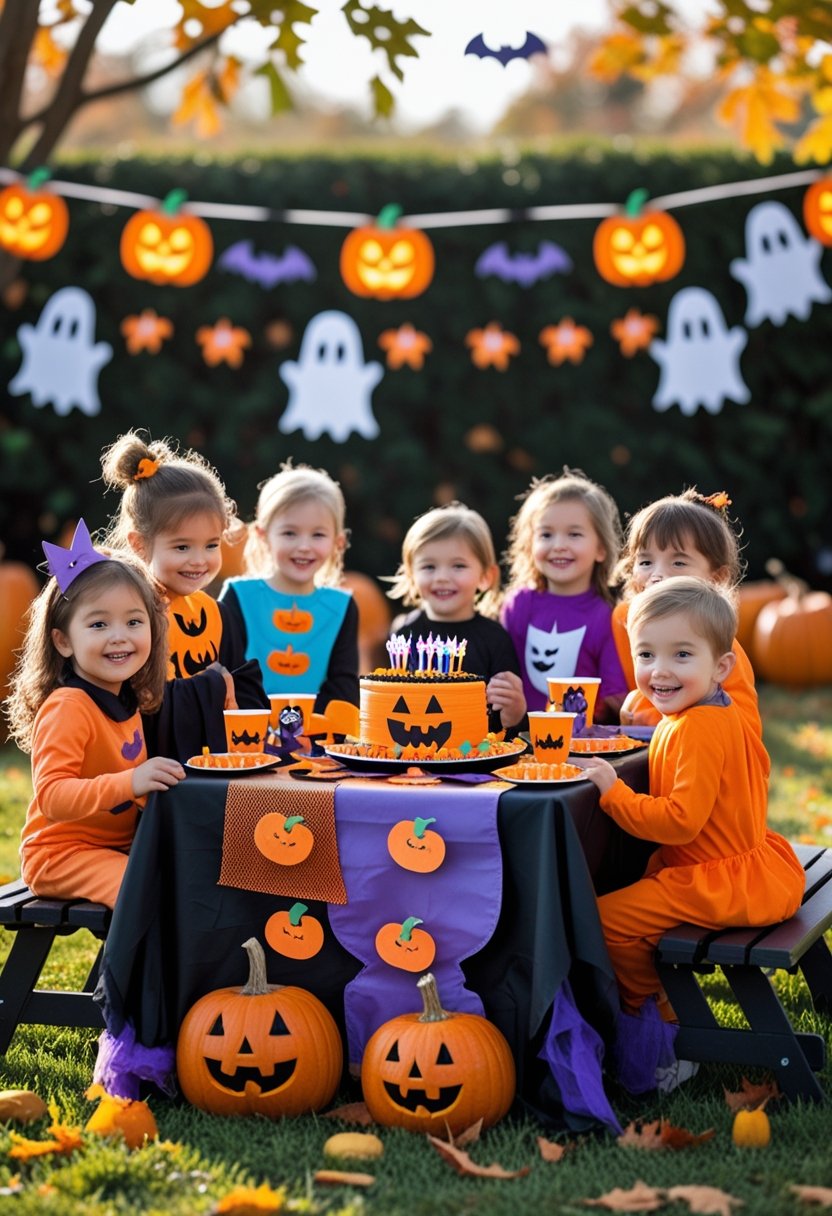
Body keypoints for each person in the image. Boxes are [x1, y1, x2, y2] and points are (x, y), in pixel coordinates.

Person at [579, 577, 804, 1086]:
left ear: (721, 666)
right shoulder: (708, 713)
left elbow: (680, 823)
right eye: (646, 654)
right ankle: (659, 1002)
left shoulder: (696, 728)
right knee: (624, 902)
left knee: (606, 919)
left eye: (682, 655)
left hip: (718, 881)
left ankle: (660, 1017)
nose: (659, 672)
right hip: (744, 867)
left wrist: (615, 794)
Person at [5, 521, 184, 909]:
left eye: (133, 621)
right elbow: (53, 797)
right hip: (61, 855)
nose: (119, 635)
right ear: (63, 640)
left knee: (193, 873)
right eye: (99, 624)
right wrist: (132, 782)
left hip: (115, 847)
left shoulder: (126, 699)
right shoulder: (69, 707)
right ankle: (129, 972)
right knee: (145, 892)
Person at [100, 429, 269, 760]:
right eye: (182, 547)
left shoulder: (217, 615)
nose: (199, 560)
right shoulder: (132, 617)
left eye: (211, 545)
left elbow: (245, 695)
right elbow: (141, 705)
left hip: (214, 770)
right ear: (139, 544)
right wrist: (212, 686)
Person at [612, 488, 761, 735]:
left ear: (716, 578)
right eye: (646, 562)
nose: (657, 575)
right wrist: (638, 700)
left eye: (678, 562)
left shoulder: (715, 645)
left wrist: (652, 713)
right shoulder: (623, 620)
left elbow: (740, 724)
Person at [218, 461, 358, 714]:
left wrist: (307, 732)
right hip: (249, 739)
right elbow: (229, 675)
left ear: (337, 541)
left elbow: (343, 685)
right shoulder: (238, 597)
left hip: (317, 742)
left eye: (318, 535)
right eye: (290, 533)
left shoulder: (342, 607)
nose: (304, 546)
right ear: (263, 534)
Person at [500, 468, 628, 722]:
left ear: (601, 548)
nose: (558, 545)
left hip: (581, 744)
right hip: (520, 739)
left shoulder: (606, 617)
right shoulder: (518, 605)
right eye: (546, 534)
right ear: (530, 544)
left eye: (574, 534)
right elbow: (502, 675)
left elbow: (617, 699)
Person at [386, 502, 526, 733]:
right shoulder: (403, 636)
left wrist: (515, 713)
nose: (442, 577)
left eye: (458, 566)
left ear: (485, 576)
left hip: (479, 754)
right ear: (411, 574)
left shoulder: (495, 639)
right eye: (429, 567)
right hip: (414, 755)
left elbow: (509, 727)